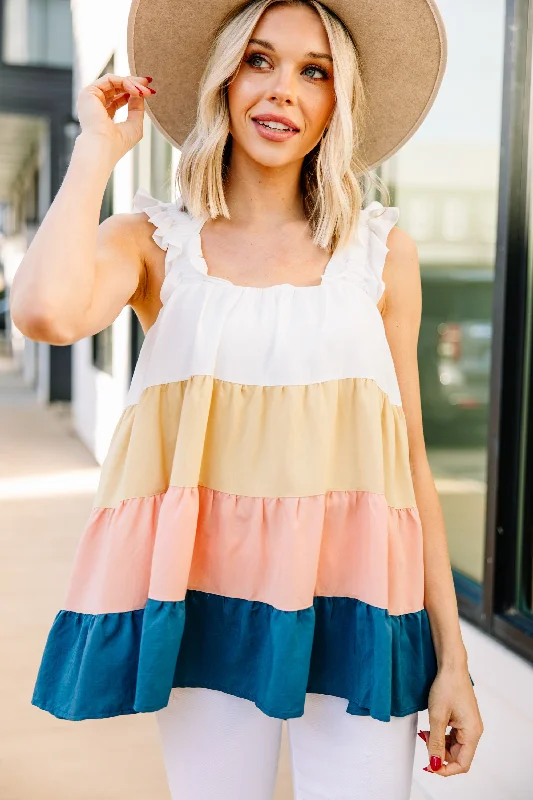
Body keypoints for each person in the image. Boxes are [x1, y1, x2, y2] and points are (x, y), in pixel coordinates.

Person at [11, 0, 484, 797]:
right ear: (224, 79)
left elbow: (410, 464)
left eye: (314, 72)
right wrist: (94, 152)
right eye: (258, 61)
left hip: (363, 602)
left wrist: (454, 660)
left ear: (339, 101)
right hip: (209, 600)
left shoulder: (378, 255)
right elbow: (45, 312)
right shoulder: (155, 243)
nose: (281, 92)